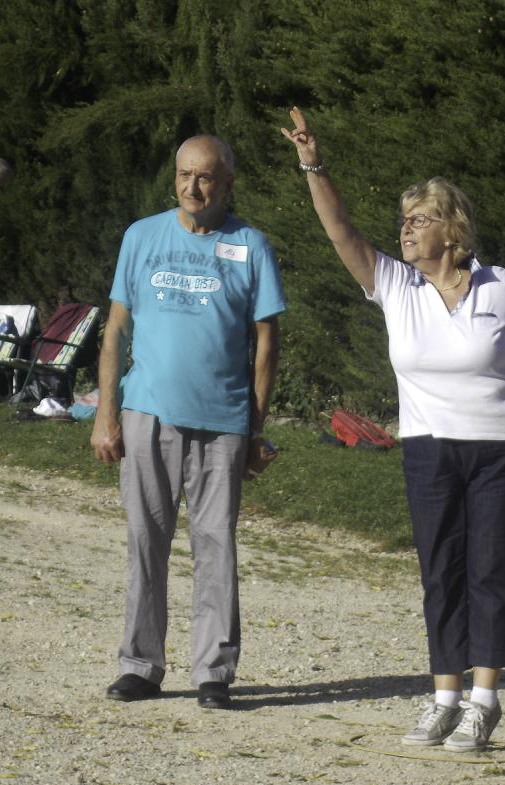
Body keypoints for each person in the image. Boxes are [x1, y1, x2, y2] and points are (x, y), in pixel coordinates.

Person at [280, 107, 505, 751]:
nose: (405, 228)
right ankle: (443, 698)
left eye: (420, 217)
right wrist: (312, 164)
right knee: (442, 570)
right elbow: (341, 231)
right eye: (403, 219)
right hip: (429, 449)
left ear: (452, 229)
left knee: (491, 571)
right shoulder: (394, 285)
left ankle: (483, 702)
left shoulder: (499, 287)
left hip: (502, 449)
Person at [90, 134, 285, 710]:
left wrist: (254, 428)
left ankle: (213, 673)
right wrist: (106, 414)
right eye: (183, 175)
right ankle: (140, 666)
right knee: (144, 542)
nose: (191, 188)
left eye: (204, 178)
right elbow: (116, 330)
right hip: (146, 412)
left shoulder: (250, 245)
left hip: (223, 420)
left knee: (215, 546)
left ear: (227, 183)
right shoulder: (141, 236)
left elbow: (267, 345)